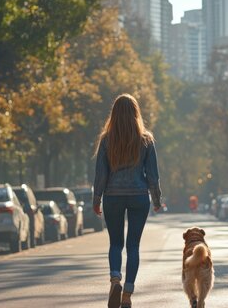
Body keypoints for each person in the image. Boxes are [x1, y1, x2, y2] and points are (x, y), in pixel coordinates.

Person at [93, 94, 162, 308]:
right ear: (136, 113)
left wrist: (96, 199)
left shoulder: (106, 140)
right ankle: (127, 294)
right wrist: (157, 199)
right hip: (139, 196)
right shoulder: (146, 139)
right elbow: (152, 175)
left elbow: (101, 175)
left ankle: (115, 279)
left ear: (113, 114)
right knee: (133, 246)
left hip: (112, 196)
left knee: (115, 243)